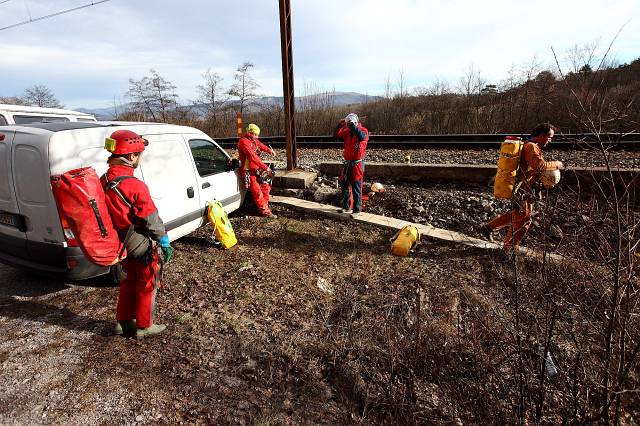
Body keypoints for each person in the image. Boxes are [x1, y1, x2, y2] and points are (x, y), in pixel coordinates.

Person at [101, 129, 173, 339]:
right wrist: (164, 239)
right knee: (147, 281)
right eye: (139, 154)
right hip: (138, 242)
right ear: (131, 156)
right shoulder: (134, 185)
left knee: (129, 280)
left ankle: (123, 322)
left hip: (119, 242)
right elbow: (151, 219)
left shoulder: (103, 180)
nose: (140, 158)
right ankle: (144, 325)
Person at [481, 123, 563, 250]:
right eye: (550, 137)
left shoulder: (530, 145)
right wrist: (556, 164)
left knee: (518, 215)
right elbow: (539, 166)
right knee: (524, 219)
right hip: (522, 189)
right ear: (542, 135)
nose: (550, 140)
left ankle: (488, 228)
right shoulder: (531, 147)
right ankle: (509, 249)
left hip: (524, 188)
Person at [237, 123, 277, 217]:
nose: (257, 137)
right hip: (248, 172)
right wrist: (266, 168)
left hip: (256, 169)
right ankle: (265, 212)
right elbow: (253, 157)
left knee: (266, 186)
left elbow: (261, 145)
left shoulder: (253, 140)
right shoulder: (243, 142)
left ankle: (264, 206)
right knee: (257, 192)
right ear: (250, 133)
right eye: (256, 134)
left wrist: (269, 150)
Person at [334, 113, 369, 217]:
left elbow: (362, 137)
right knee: (344, 185)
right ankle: (345, 206)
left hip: (357, 165)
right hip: (348, 163)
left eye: (349, 125)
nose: (348, 126)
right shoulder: (348, 132)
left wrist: (353, 126)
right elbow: (337, 134)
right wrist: (340, 125)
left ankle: (357, 210)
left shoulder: (363, 131)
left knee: (356, 187)